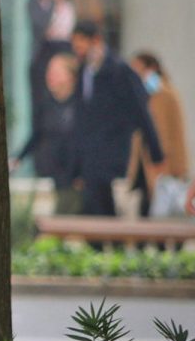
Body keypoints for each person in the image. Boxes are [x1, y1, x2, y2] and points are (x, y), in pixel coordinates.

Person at [68, 20, 162, 218]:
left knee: (116, 216)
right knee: (94, 218)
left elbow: (141, 112)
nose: (78, 50)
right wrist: (76, 166)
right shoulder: (84, 73)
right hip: (90, 160)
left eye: (81, 43)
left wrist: (155, 153)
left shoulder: (121, 71)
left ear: (96, 40)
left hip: (115, 159)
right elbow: (80, 121)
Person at [13, 52, 83, 214]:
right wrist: (18, 158)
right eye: (49, 72)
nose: (50, 76)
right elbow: (37, 135)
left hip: (75, 180)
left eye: (56, 73)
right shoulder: (46, 105)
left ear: (71, 77)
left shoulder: (82, 105)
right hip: (52, 175)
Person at [127, 53, 189, 217]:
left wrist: (163, 164)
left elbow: (163, 135)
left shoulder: (163, 94)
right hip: (145, 164)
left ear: (151, 68)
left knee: (163, 211)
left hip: (162, 166)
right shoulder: (142, 95)